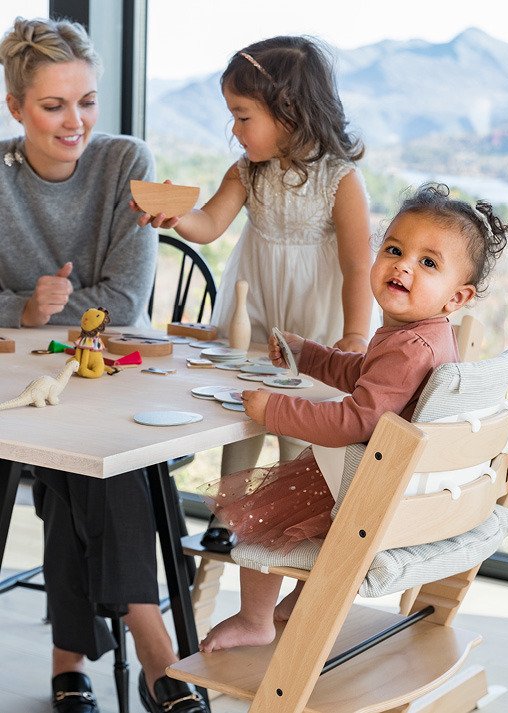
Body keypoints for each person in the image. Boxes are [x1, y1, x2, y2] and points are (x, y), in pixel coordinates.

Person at [196, 183, 508, 652]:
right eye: (394, 249)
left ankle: (254, 619)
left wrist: (276, 410)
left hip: (362, 486)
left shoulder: (410, 348)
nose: (403, 265)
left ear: (455, 298)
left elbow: (357, 421)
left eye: (428, 263)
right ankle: (298, 602)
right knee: (294, 514)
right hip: (386, 481)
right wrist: (308, 355)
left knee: (260, 518)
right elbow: (362, 375)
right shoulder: (418, 337)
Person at [0, 17, 207, 713]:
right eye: (53, 105)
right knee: (78, 456)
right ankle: (153, 652)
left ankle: (80, 660)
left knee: (96, 449)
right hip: (23, 378)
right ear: (16, 108)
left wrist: (26, 310)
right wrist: (24, 311)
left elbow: (121, 303)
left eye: (86, 101)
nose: (74, 122)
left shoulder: (126, 162)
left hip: (113, 369)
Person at [134, 36, 374, 535]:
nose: (235, 129)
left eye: (244, 116)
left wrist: (354, 336)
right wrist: (175, 216)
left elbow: (357, 264)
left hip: (316, 326)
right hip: (257, 315)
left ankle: (288, 520)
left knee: (299, 425)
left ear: (290, 112)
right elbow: (209, 225)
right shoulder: (248, 172)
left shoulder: (340, 180)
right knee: (241, 410)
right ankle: (229, 516)